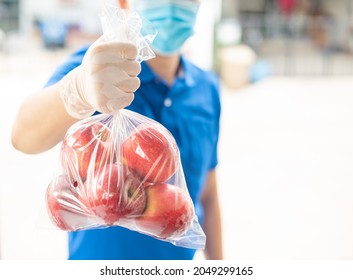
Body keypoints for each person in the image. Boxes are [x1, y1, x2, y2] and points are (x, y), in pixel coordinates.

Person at [11, 0, 223, 260]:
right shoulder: (100, 66)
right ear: (125, 2)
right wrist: (77, 89)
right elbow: (23, 136)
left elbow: (207, 193)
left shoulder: (206, 88)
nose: (170, 6)